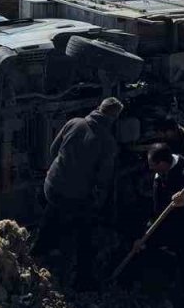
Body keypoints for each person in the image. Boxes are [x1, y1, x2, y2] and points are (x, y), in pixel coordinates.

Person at [32, 97, 123, 291]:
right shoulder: (108, 143)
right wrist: (99, 202)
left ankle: (37, 253)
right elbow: (103, 180)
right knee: (86, 233)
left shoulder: (74, 122)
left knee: (51, 215)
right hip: (74, 197)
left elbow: (53, 149)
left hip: (52, 186)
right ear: (114, 118)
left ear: (98, 108)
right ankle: (83, 278)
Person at [131, 143, 184, 308]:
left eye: (152, 164)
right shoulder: (159, 177)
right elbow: (158, 211)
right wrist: (144, 237)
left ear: (162, 162)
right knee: (170, 264)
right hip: (171, 231)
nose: (150, 167)